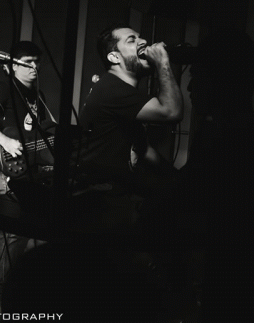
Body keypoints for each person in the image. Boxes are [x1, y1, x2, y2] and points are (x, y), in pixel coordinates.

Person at [178, 26, 254, 321]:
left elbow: (186, 207)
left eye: (198, 75)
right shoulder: (242, 134)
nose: (190, 87)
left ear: (221, 80)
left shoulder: (222, 140)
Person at [77, 24, 183, 238]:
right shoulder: (112, 89)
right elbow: (171, 111)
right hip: (101, 201)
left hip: (111, 195)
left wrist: (178, 180)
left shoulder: (121, 91)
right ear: (114, 57)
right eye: (131, 40)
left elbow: (143, 149)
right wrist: (163, 62)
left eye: (140, 37)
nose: (143, 42)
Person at [0, 41, 55, 284]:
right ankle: (1, 291)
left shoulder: (38, 95)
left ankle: (20, 286)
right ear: (13, 66)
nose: (34, 67)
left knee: (29, 228)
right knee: (11, 230)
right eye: (27, 63)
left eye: (36, 62)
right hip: (7, 169)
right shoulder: (4, 88)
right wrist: (5, 141)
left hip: (31, 171)